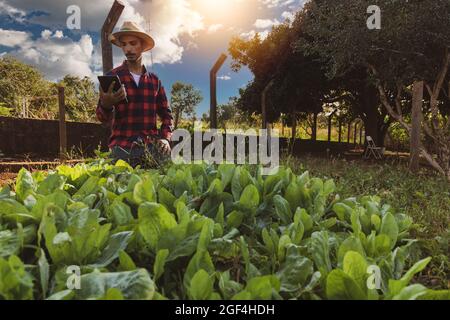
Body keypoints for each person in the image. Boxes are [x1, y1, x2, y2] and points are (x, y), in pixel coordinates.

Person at [96, 21, 174, 168]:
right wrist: (106, 104)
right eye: (124, 45)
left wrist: (165, 138)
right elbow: (102, 118)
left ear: (143, 46)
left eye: (133, 43)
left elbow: (167, 115)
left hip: (150, 146)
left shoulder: (155, 81)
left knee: (165, 179)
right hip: (122, 147)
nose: (128, 49)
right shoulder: (113, 77)